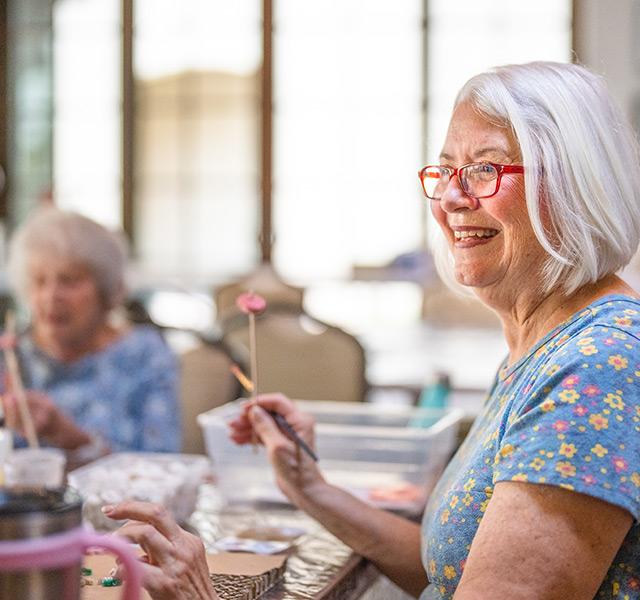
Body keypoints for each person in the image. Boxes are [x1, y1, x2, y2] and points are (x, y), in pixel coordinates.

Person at [106, 60, 640, 600]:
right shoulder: (539, 350)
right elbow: (450, 575)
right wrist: (310, 487)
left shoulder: (596, 362)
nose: (451, 198)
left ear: (575, 183)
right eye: (447, 170)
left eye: (485, 168)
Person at [1, 207, 181, 461]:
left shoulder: (145, 355)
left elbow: (163, 467)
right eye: (39, 281)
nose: (51, 297)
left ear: (110, 291)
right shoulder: (9, 356)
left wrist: (74, 441)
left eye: (69, 281)